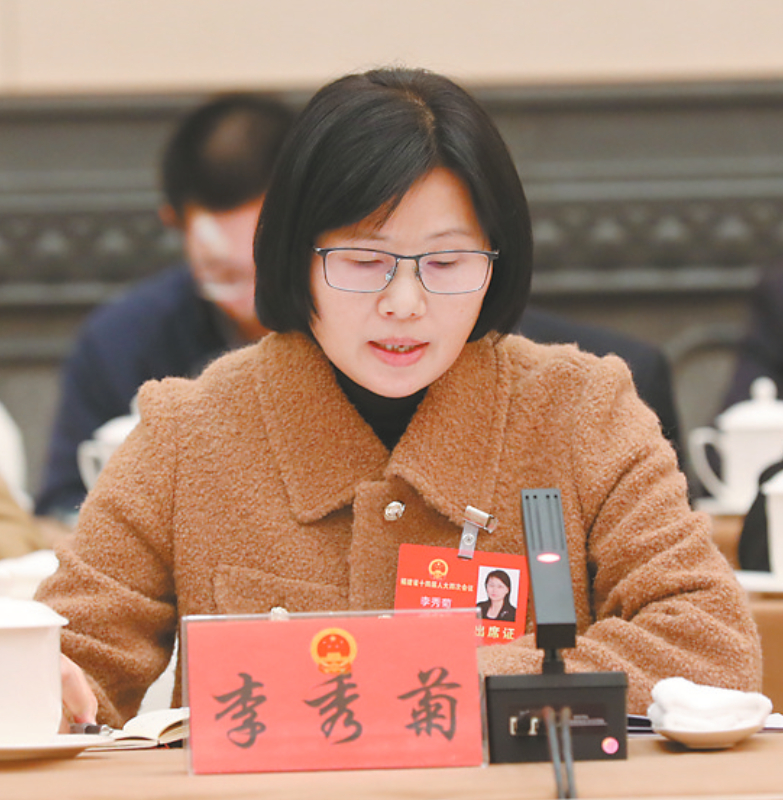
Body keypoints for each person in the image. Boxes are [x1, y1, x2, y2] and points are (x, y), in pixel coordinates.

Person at [37, 67, 760, 730]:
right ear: (294, 258)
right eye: (363, 260)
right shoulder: (190, 433)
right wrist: (46, 690)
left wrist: (429, 680)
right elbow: (68, 666)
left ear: (496, 262)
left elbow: (708, 651)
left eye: (446, 261)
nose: (405, 302)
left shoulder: (583, 411)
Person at [35, 94, 296, 521]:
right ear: (174, 223)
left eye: (270, 264)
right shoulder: (121, 341)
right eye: (223, 273)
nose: (255, 296)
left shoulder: (361, 324)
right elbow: (64, 504)